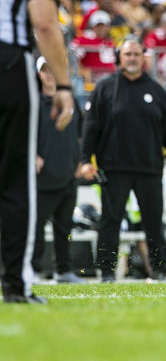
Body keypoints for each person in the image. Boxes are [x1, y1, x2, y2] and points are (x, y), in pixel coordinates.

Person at [79, 36, 166, 282]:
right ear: (119, 58)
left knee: (154, 223)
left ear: (143, 57)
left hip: (150, 167)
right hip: (113, 168)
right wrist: (85, 160)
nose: (132, 58)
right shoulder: (104, 87)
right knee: (110, 222)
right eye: (128, 54)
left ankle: (160, 270)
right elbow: (90, 127)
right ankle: (106, 272)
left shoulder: (156, 89)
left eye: (136, 54)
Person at [1, 0, 74, 304]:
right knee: (16, 179)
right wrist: (62, 83)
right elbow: (44, 23)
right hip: (8, 63)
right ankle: (16, 284)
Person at [32, 57, 85, 284]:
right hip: (41, 178)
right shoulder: (32, 104)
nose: (50, 74)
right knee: (35, 228)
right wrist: (31, 154)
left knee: (65, 228)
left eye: (52, 69)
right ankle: (31, 270)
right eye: (45, 70)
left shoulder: (71, 102)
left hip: (68, 175)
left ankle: (64, 270)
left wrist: (81, 161)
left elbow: (81, 133)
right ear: (40, 74)